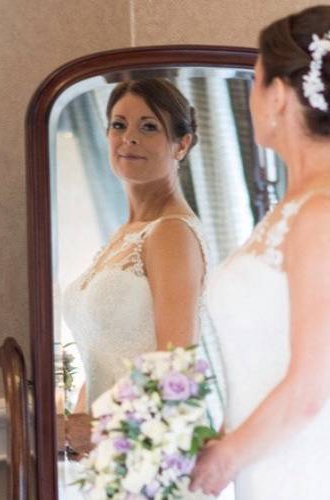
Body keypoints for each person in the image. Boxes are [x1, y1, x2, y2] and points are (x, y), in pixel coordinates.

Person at [190, 5, 330, 499]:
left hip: (311, 479)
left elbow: (307, 390)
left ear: (278, 95)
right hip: (271, 473)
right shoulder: (304, 199)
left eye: (255, 81)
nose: (253, 96)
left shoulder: (325, 209)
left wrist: (222, 462)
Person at [61, 78, 221, 499]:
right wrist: (74, 423)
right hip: (106, 461)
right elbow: (103, 351)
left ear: (181, 144)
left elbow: (175, 370)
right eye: (118, 124)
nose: (128, 137)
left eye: (149, 126)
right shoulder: (126, 234)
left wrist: (96, 431)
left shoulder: (171, 233)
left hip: (152, 462)